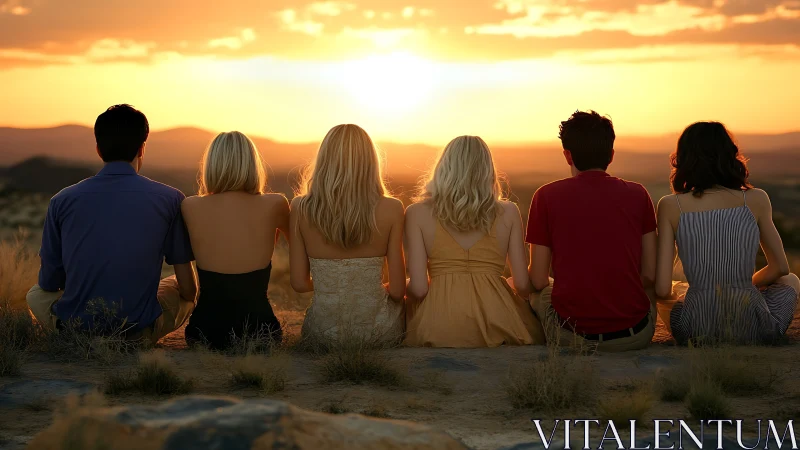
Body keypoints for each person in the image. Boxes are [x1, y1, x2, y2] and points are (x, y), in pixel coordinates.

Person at [26, 104, 197, 344]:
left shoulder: (61, 200)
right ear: (142, 148)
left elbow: (49, 283)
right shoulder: (170, 199)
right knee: (183, 286)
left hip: (76, 329)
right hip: (138, 332)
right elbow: (189, 291)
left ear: (98, 149)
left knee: (35, 293)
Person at [655, 122, 800, 345]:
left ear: (683, 158)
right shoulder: (756, 198)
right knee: (791, 279)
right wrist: (741, 284)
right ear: (730, 155)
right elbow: (780, 267)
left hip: (694, 331)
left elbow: (662, 289)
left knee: (678, 289)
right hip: (754, 328)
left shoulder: (670, 205)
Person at [527, 111, 657, 351]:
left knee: (538, 295)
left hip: (571, 337)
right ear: (611, 154)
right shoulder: (639, 194)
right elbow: (649, 275)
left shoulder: (545, 197)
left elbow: (537, 279)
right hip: (635, 336)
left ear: (567, 155)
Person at [404, 136, 545, 347]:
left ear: (444, 167)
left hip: (439, 324)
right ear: (487, 170)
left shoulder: (416, 213)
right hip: (501, 319)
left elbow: (419, 289)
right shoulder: (509, 211)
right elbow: (523, 285)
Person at [289, 124, 405, 346]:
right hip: (379, 333)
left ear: (324, 160)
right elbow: (398, 291)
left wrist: (332, 284)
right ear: (371, 161)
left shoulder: (300, 208)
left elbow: (299, 284)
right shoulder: (392, 208)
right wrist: (362, 286)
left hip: (321, 334)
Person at [181, 131, 289, 350]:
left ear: (211, 164)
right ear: (252, 164)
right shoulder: (276, 203)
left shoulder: (190, 206)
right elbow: (300, 251)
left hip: (204, 333)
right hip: (261, 332)